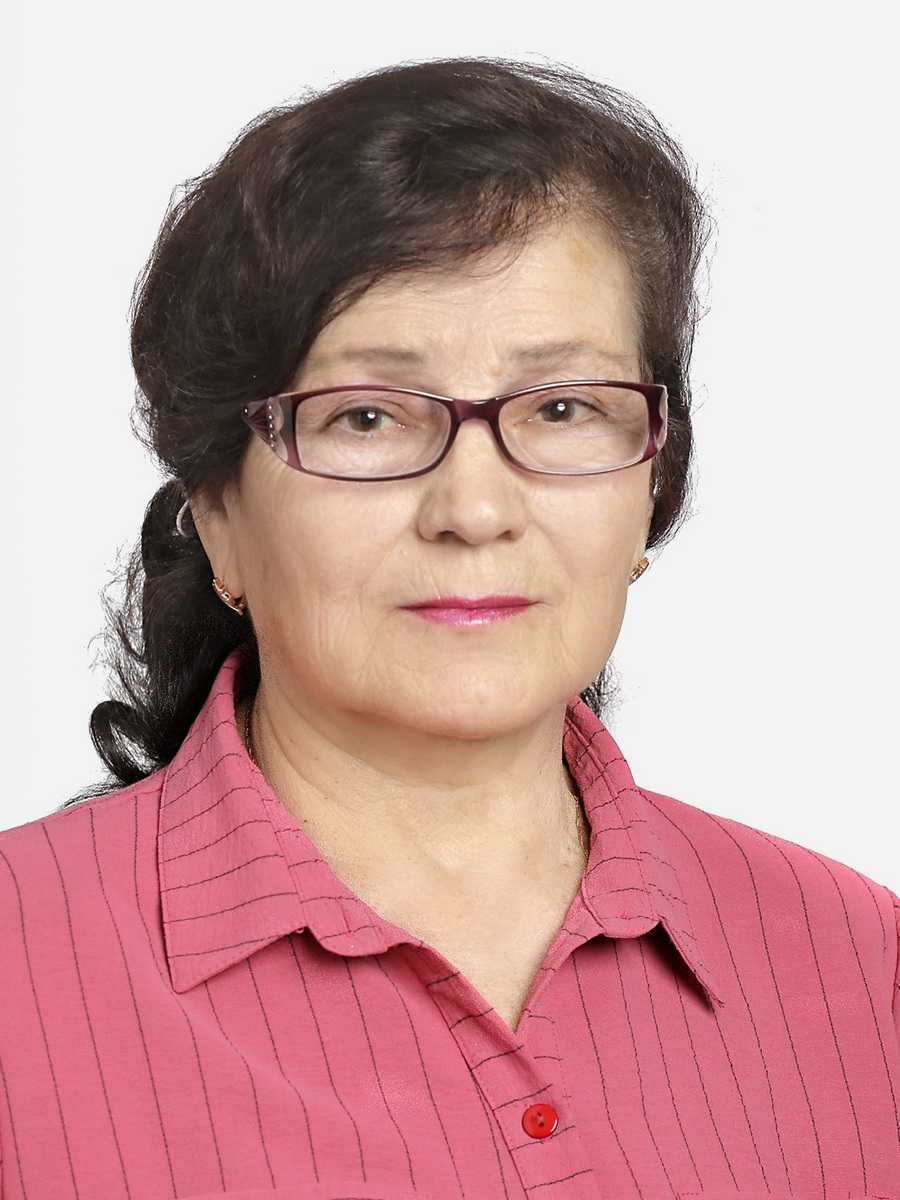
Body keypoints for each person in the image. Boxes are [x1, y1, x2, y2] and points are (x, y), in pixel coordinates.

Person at [1, 58, 898, 1200]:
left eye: (563, 407)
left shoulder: (864, 963)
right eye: (367, 417)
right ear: (218, 511)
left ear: (652, 487)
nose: (474, 510)